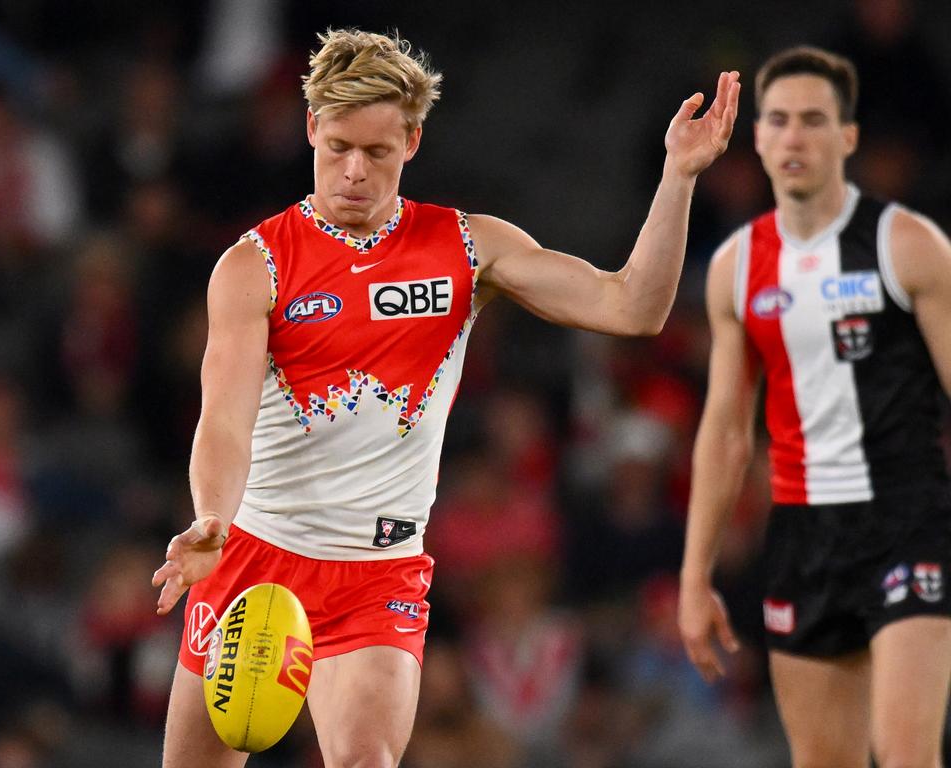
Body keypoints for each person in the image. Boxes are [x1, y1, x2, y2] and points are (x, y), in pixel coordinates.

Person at [152, 28, 739, 768]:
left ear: (413, 141)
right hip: (254, 559)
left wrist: (678, 178)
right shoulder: (254, 265)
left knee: (366, 758)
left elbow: (633, 308)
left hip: (376, 574)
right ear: (310, 128)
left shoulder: (466, 248)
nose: (355, 171)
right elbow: (224, 421)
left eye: (378, 151)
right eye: (337, 147)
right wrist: (210, 516)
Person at [678, 45, 951, 768]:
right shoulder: (735, 267)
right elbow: (726, 432)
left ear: (847, 137)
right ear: (757, 136)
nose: (794, 136)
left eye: (813, 120)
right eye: (778, 120)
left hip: (908, 521)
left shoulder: (909, 247)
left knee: (904, 755)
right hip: (803, 533)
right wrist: (693, 573)